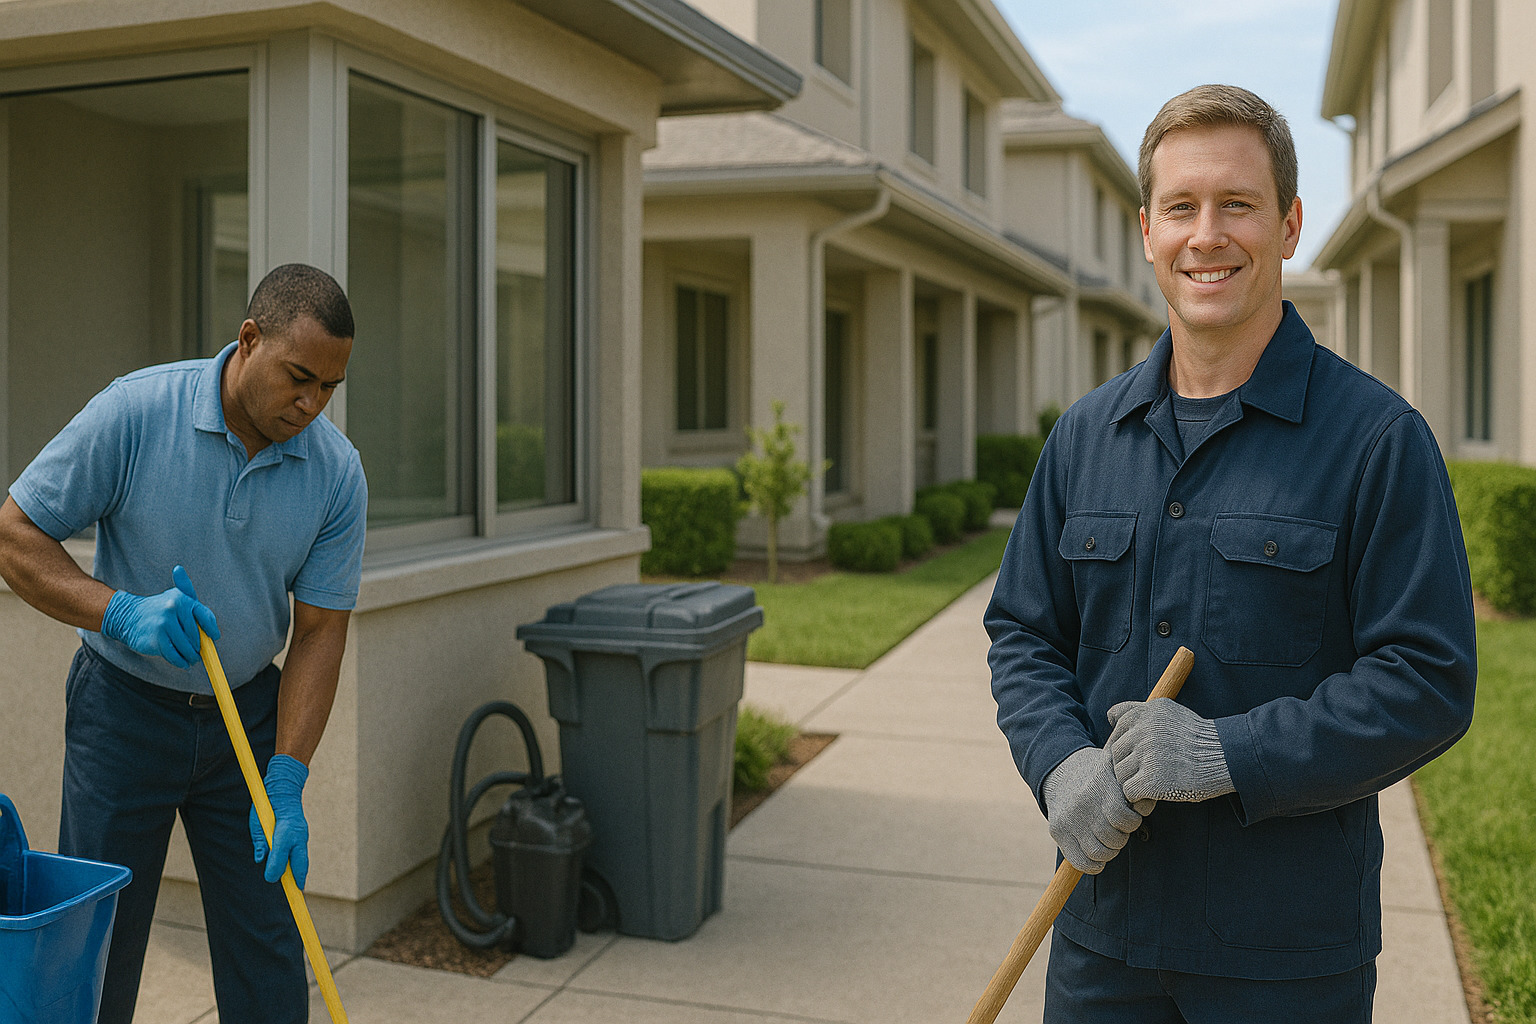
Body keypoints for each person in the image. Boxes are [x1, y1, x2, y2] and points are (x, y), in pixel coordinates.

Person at [985, 85, 1476, 1023]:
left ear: (1288, 225)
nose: (1206, 235)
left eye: (1237, 205)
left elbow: (1429, 679)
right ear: (1146, 231)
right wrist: (1059, 763)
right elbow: (1022, 631)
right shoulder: (1085, 438)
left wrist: (1227, 752)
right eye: (1181, 207)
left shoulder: (1376, 442)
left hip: (1285, 958)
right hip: (1101, 937)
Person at [0, 263, 367, 1024]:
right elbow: (14, 536)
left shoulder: (336, 473)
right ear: (248, 339)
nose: (311, 405)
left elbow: (322, 629)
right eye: (299, 377)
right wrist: (120, 611)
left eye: (329, 388)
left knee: (270, 944)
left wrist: (290, 776)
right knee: (98, 947)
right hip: (122, 714)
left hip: (248, 724)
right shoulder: (137, 412)